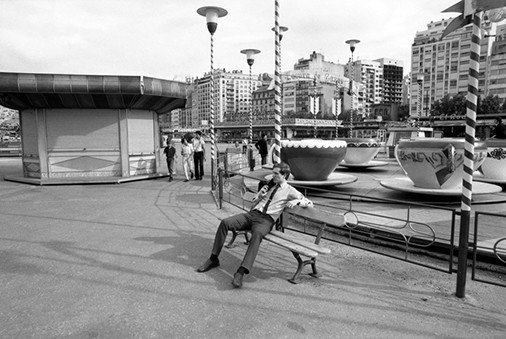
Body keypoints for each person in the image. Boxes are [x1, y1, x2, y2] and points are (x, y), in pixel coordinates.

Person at [197, 162, 313, 288]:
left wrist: (297, 201)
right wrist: (259, 195)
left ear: (284, 175)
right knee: (225, 223)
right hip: (252, 215)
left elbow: (309, 203)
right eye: (273, 172)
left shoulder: (290, 191)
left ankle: (241, 272)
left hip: (266, 220)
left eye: (276, 173)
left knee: (256, 234)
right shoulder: (269, 186)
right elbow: (254, 201)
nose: (272, 175)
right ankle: (213, 258)